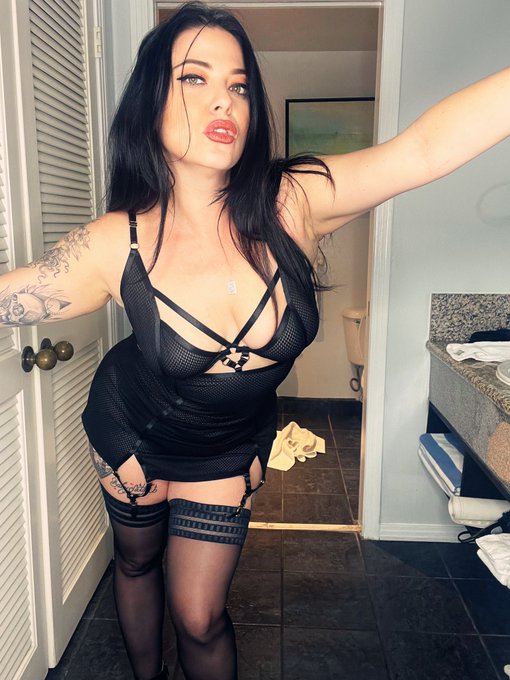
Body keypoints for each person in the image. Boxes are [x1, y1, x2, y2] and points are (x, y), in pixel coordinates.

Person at [1, 2, 509, 678]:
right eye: (194, 77)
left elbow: (423, 150)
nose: (225, 101)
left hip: (226, 444)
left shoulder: (292, 202)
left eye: (238, 84)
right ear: (149, 100)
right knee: (136, 561)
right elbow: (14, 295)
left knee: (200, 615)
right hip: (133, 431)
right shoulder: (113, 243)